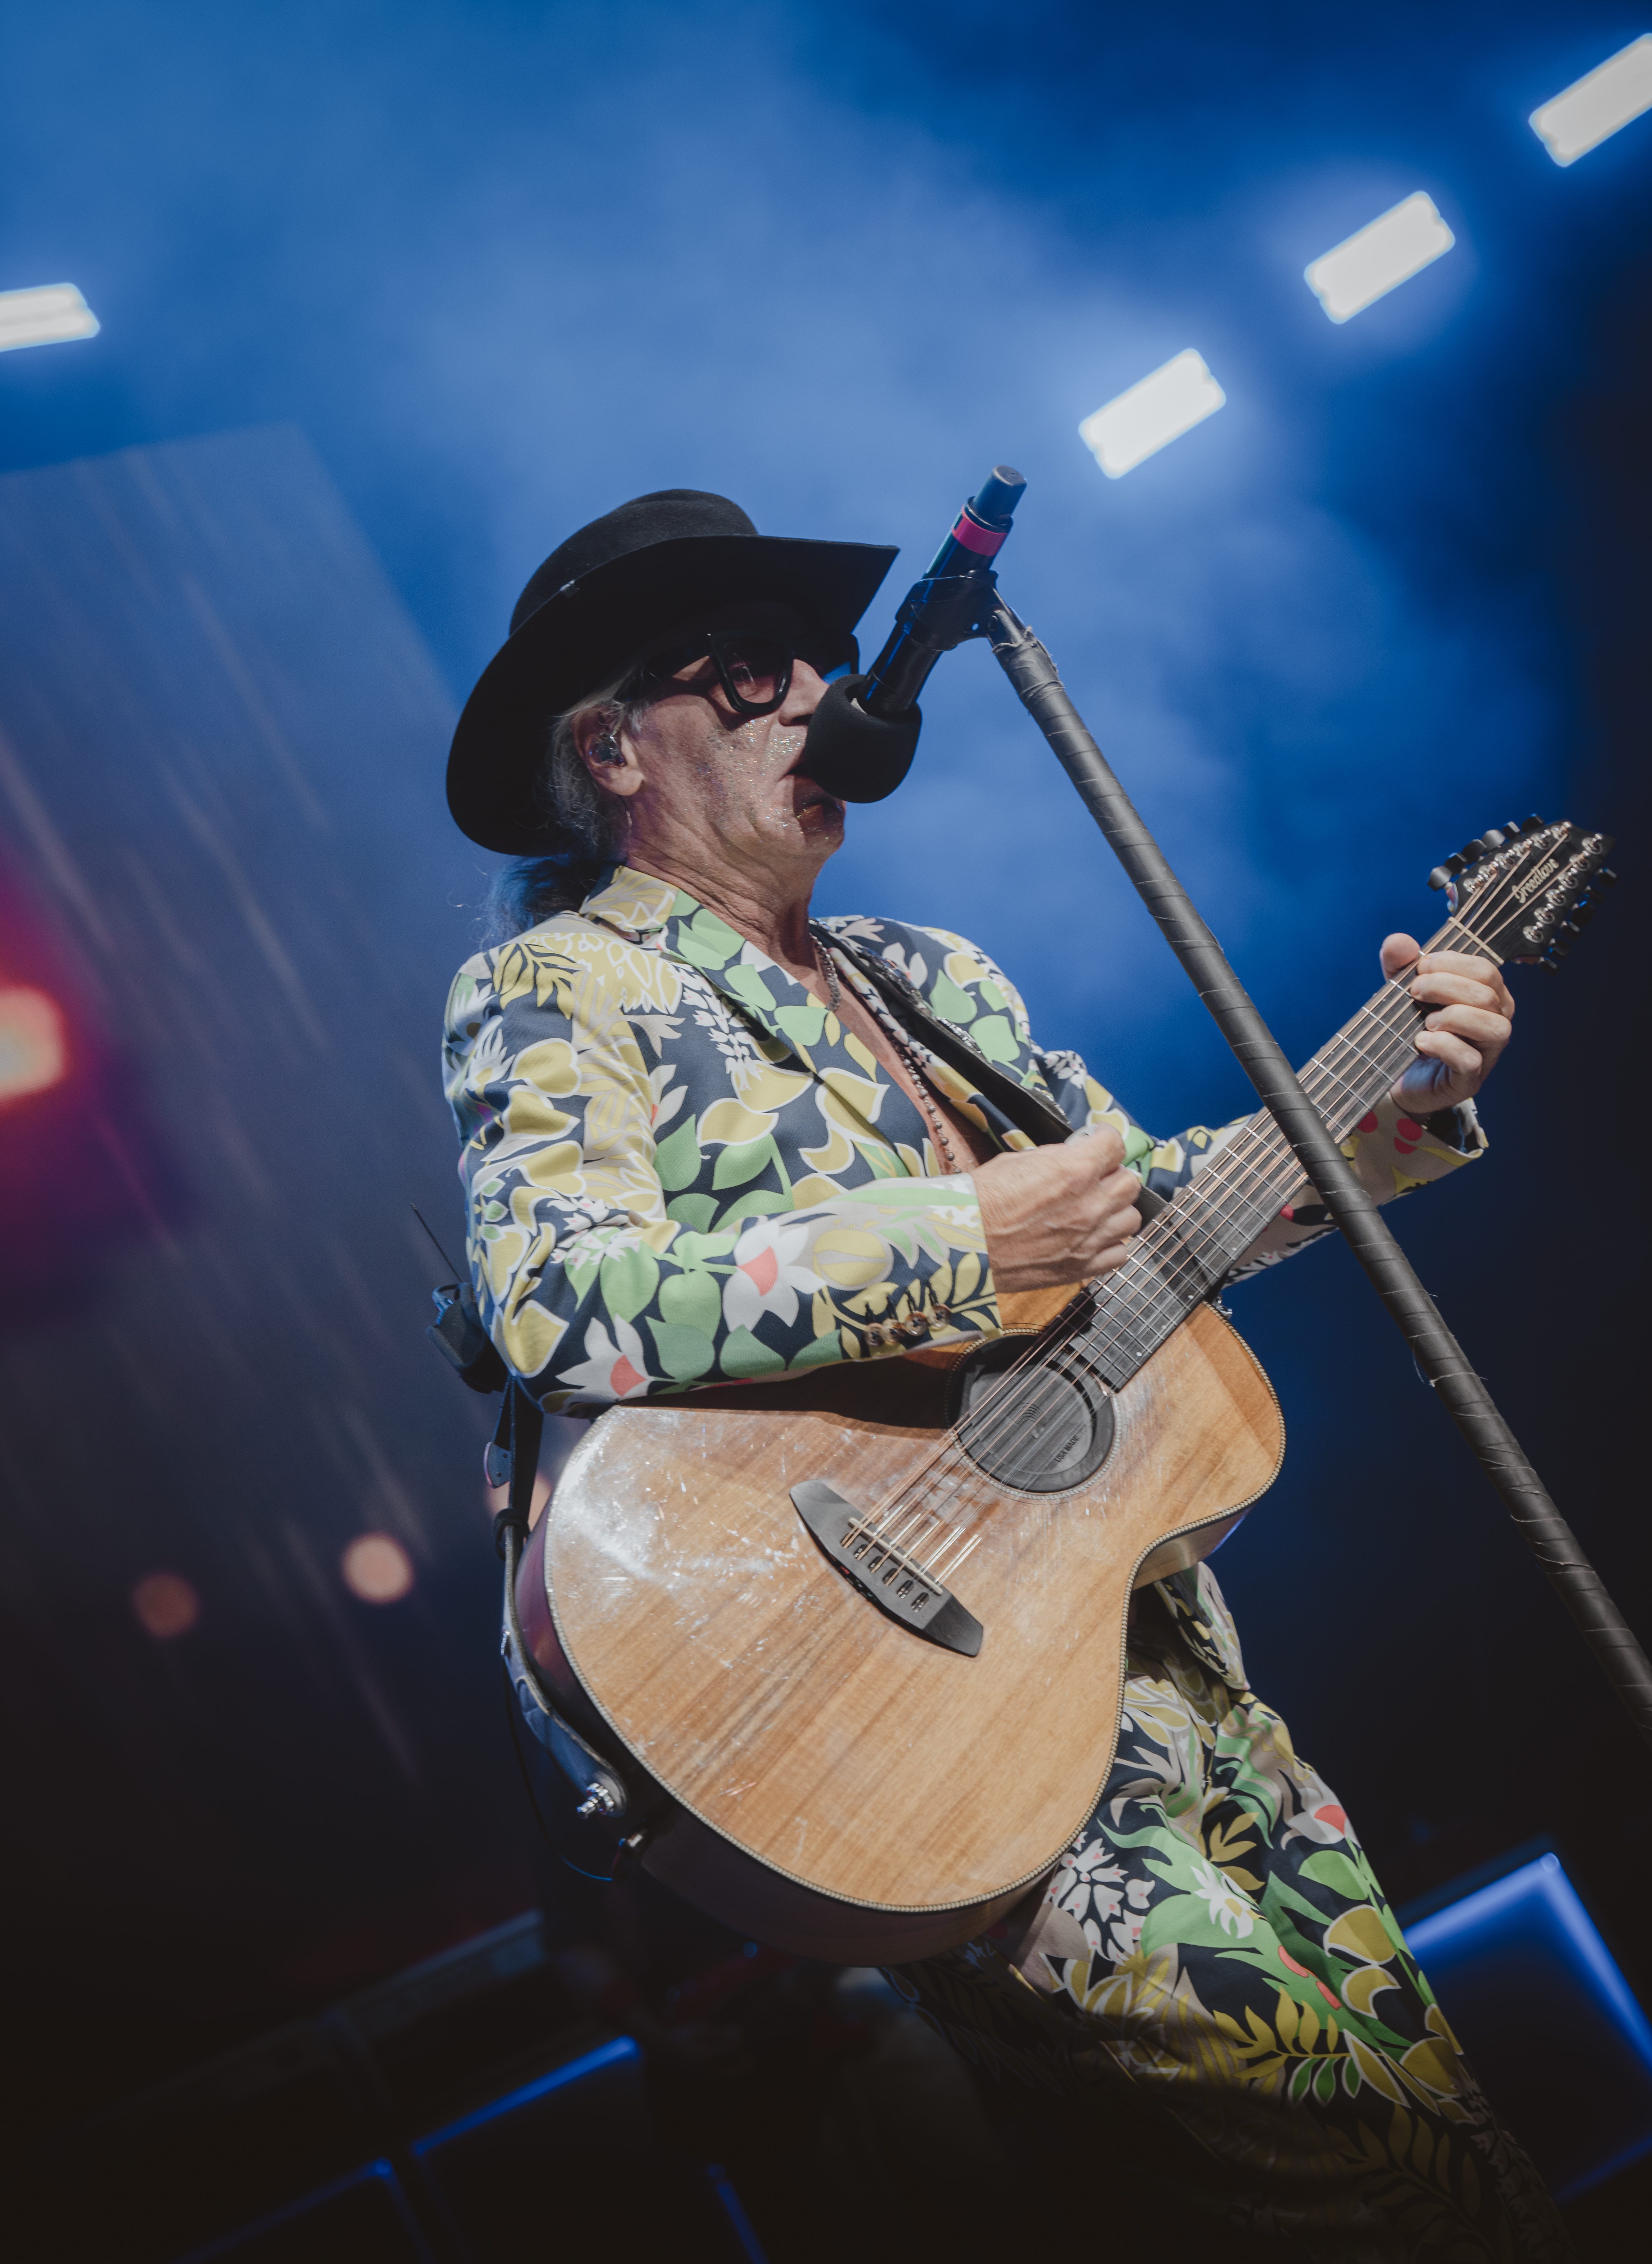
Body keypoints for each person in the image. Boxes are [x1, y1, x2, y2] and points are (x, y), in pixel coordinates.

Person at [442, 489, 1566, 2259]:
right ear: (613, 744)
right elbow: (556, 1298)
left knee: (1433, 2143)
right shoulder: (557, 985)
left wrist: (1395, 1100)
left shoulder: (928, 977)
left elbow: (1154, 1228)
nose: (821, 695)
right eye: (750, 673)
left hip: (1164, 1672)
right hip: (911, 1714)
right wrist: (961, 1246)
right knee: (1358, 2188)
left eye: (818, 658)